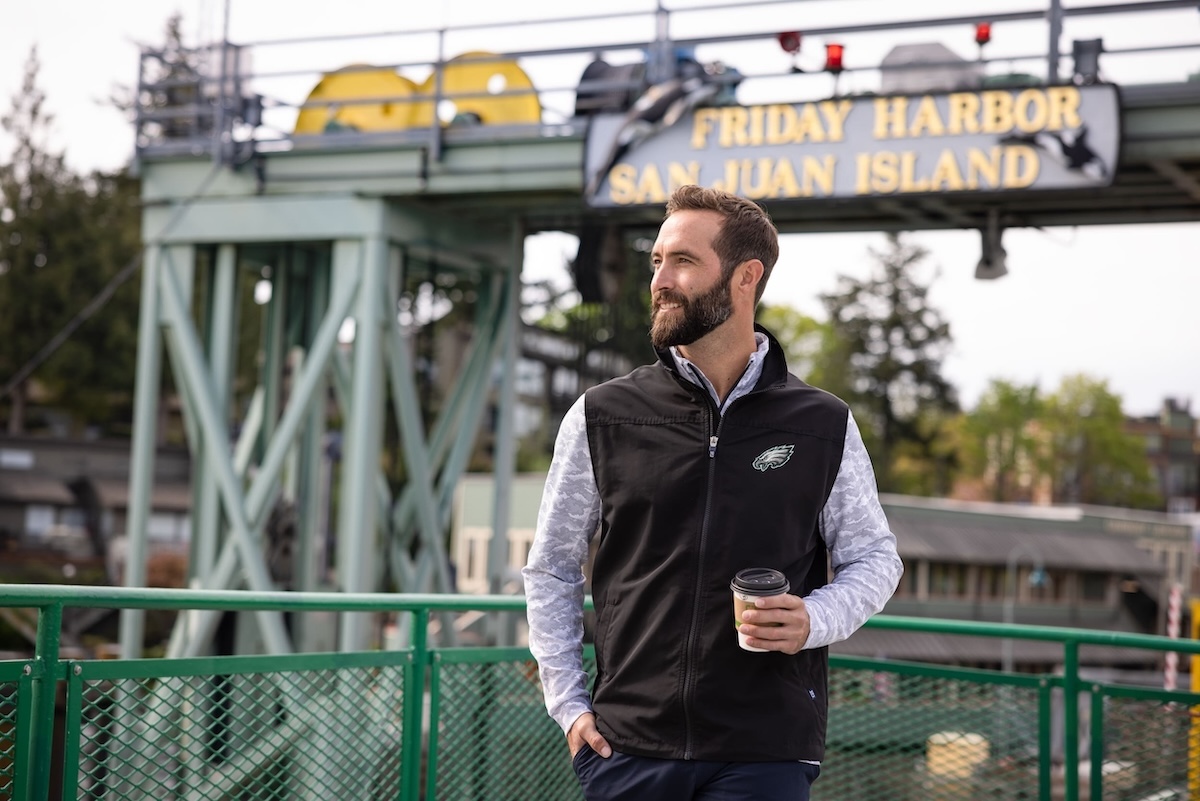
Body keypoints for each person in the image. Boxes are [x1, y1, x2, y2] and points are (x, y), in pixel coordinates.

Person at [522, 184, 903, 801]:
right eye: (656, 262)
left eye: (684, 262)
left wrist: (814, 619)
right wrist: (569, 708)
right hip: (627, 747)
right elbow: (552, 569)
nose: (661, 280)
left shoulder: (822, 422)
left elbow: (875, 558)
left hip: (765, 751)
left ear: (745, 277)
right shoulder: (601, 416)